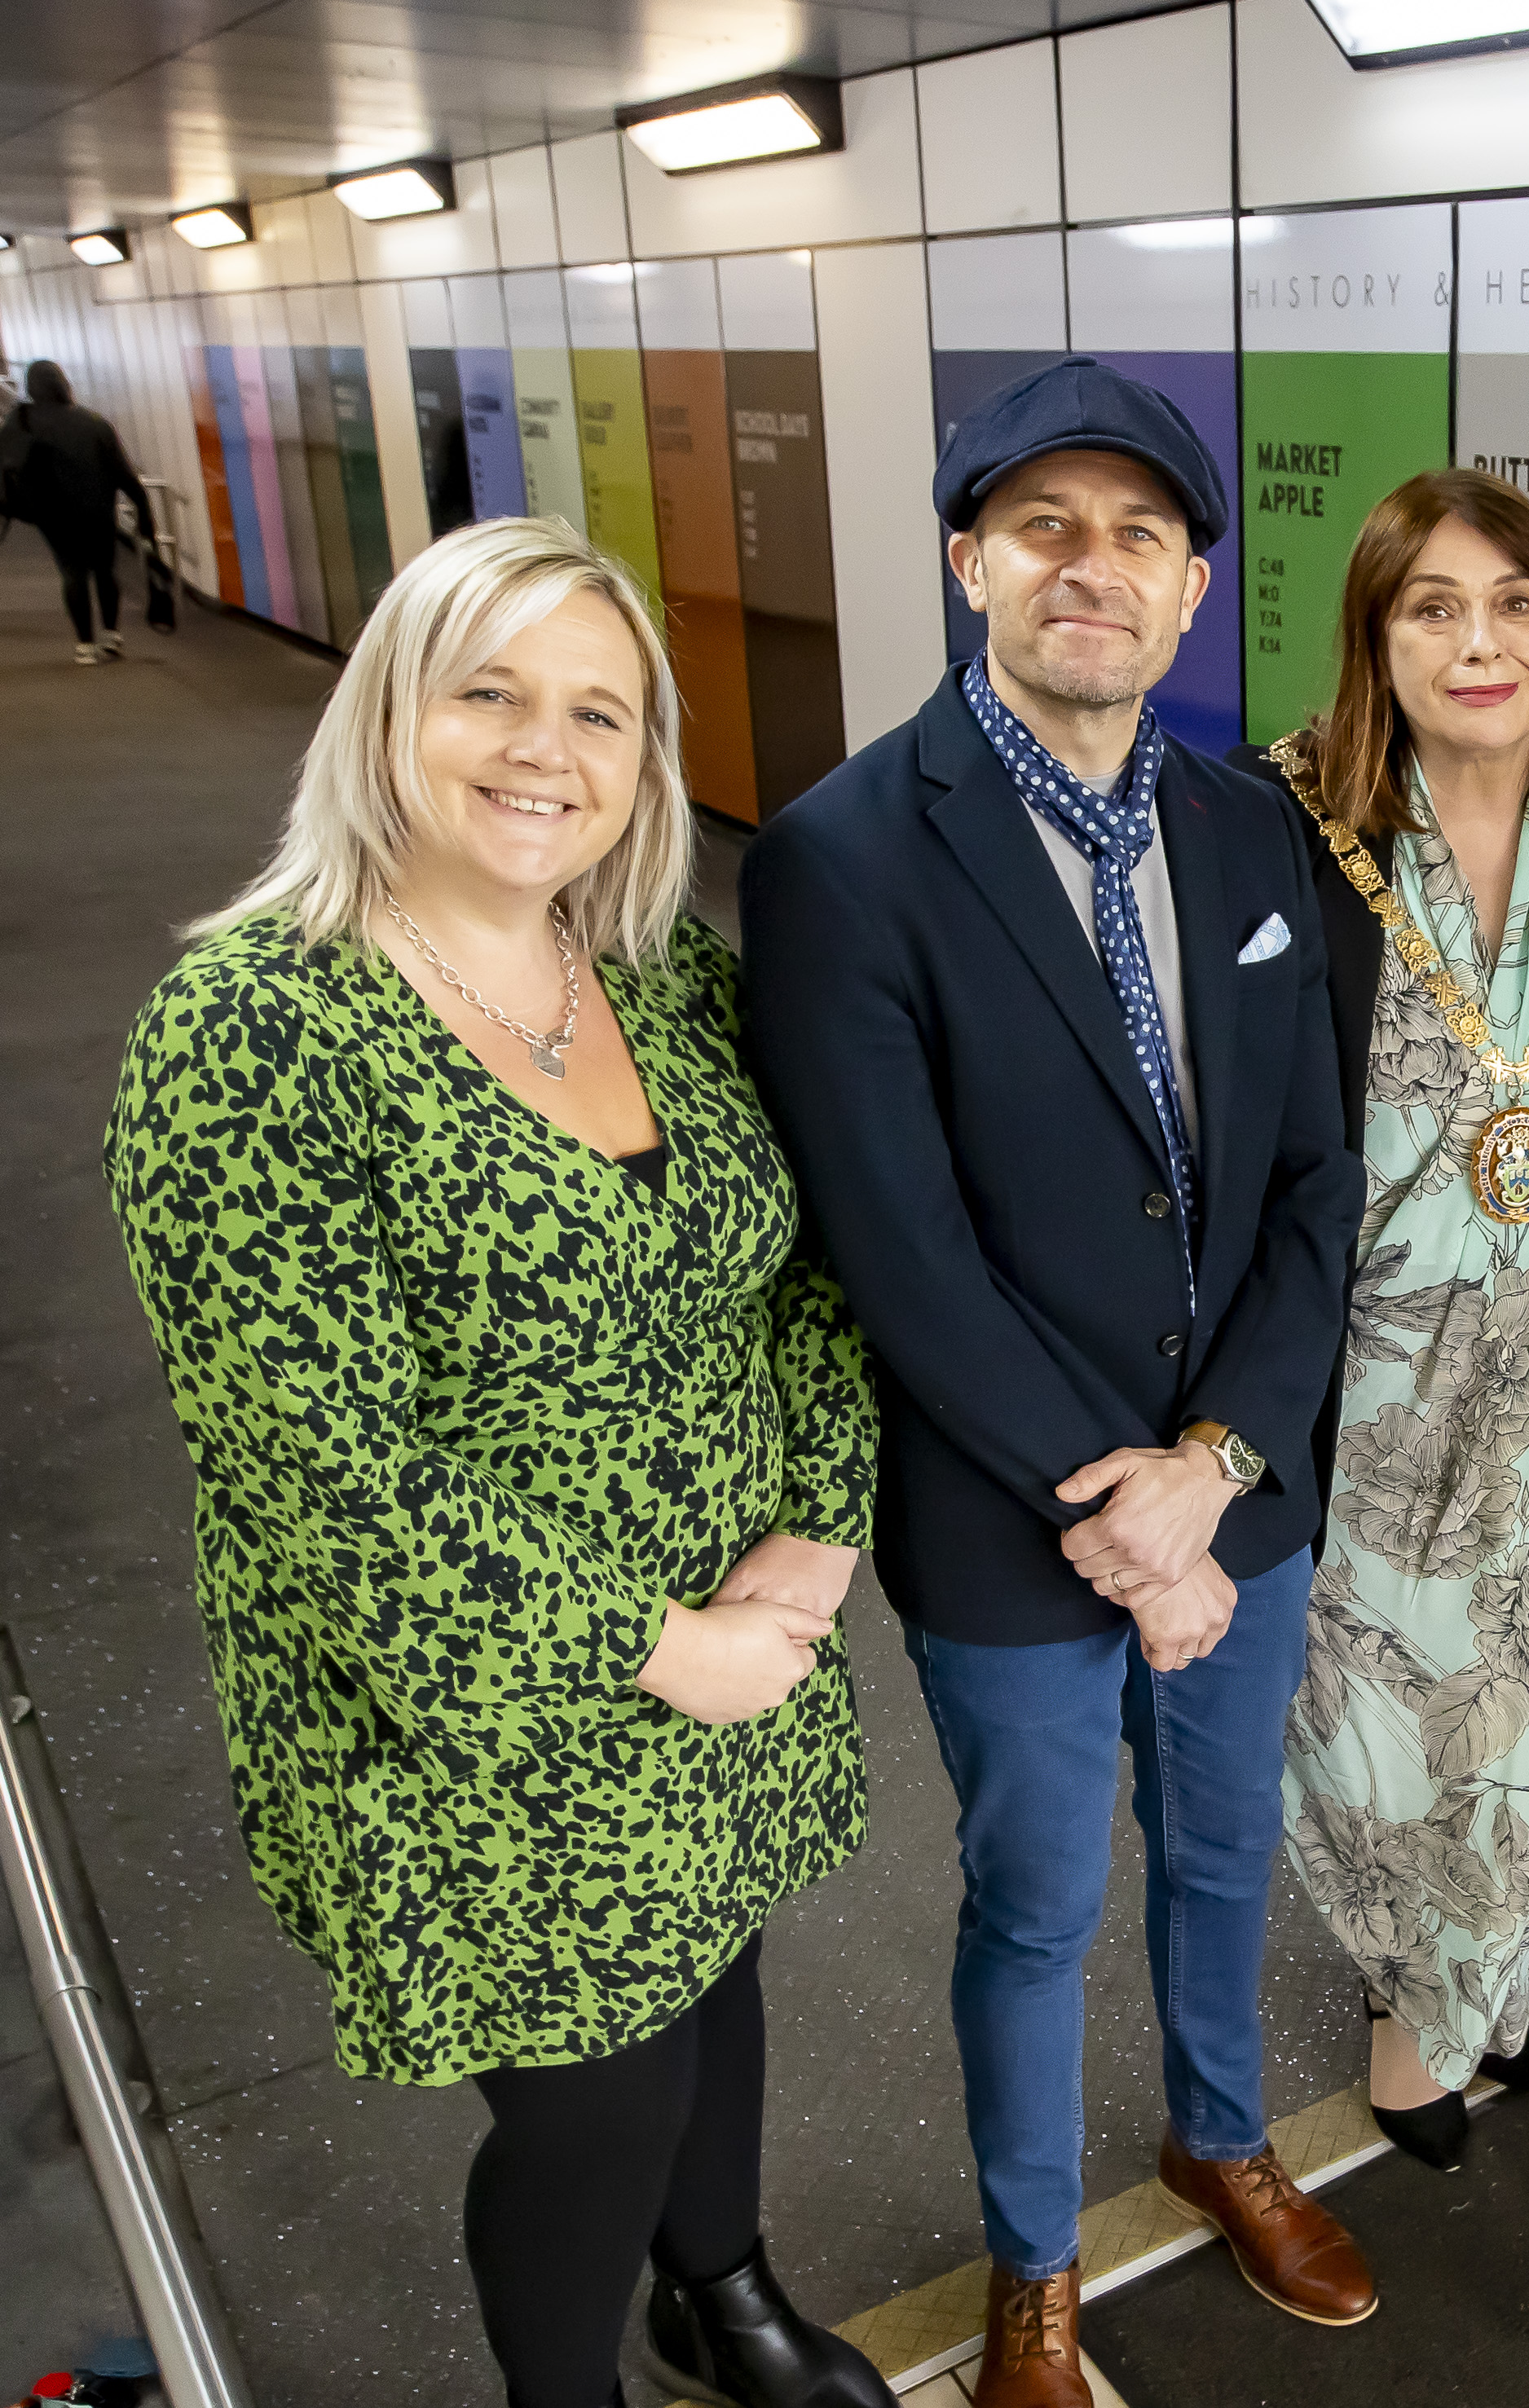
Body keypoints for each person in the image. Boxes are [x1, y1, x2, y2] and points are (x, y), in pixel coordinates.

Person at [105, 516, 893, 2408]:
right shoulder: (255, 1031)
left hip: (731, 1632)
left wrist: (816, 1527)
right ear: (392, 712)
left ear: (645, 767)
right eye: (493, 692)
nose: (547, 749)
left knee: (717, 1973)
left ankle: (724, 2292)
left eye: (599, 714)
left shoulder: (668, 986)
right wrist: (652, 1647)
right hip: (477, 1710)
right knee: (599, 2085)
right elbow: (320, 1468)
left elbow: (802, 1284)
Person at [739, 359, 1373, 2408]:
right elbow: (894, 1251)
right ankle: (1035, 2268)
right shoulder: (847, 855)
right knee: (1034, 1902)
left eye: (1137, 535)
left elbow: (1314, 1179)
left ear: (1190, 591)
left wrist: (1212, 1468)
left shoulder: (1254, 825)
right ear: (968, 563)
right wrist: (1120, 1507)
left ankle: (1219, 2134)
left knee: (1221, 1850)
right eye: (1042, 527)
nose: (1089, 567)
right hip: (1012, 1518)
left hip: (1237, 1490)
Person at [1229, 469, 1529, 2172]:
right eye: (1430, 605)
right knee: (1366, 1727)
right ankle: (1403, 1993)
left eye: (1513, 601)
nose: (1477, 638)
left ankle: (1481, 1983)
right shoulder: (1277, 820)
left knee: (1516, 1715)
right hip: (1352, 1392)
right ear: (1374, 636)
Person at [7, 362, 152, 665]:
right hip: (98, 511)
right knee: (104, 571)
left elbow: (8, 465)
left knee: (72, 573)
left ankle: (85, 646)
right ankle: (112, 637)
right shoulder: (95, 423)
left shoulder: (23, 421)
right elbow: (124, 475)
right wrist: (144, 515)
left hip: (53, 514)